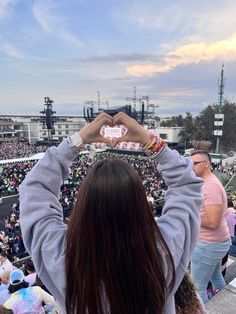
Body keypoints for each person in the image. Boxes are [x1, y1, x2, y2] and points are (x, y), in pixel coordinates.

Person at [19, 112, 203, 314]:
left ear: (83, 205)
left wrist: (76, 141)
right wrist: (148, 140)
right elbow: (186, 185)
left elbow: (35, 189)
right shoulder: (165, 246)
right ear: (140, 204)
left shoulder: (59, 253)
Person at [190, 150, 231, 303]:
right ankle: (223, 304)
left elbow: (212, 222)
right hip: (215, 243)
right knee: (215, 277)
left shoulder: (210, 187)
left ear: (206, 164)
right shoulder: (208, 183)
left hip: (208, 244)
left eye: (194, 163)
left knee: (197, 287)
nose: (190, 167)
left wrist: (190, 214)